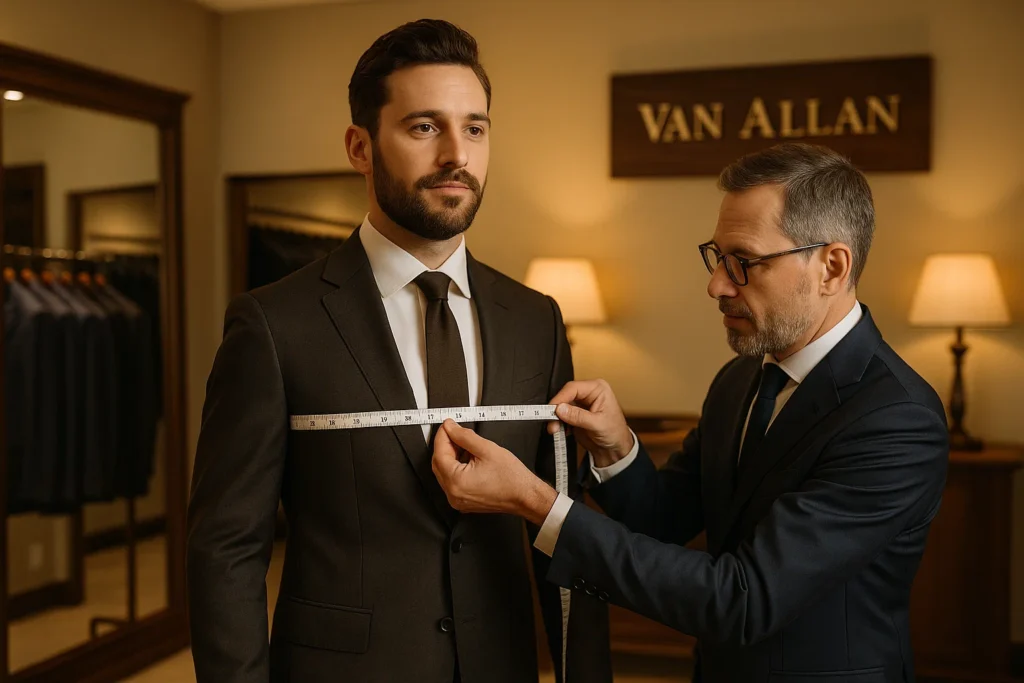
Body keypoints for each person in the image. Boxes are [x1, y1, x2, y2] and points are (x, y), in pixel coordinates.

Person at [186, 19, 610, 683]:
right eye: (423, 127)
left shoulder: (538, 320)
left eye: (475, 127)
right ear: (360, 146)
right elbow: (226, 547)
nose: (457, 155)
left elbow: (560, 530)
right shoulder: (273, 324)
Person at [432, 142, 949, 683]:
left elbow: (741, 599)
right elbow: (665, 519)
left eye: (744, 263)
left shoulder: (897, 420)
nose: (716, 285)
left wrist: (536, 503)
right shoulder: (741, 380)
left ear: (832, 266)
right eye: (717, 257)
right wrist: (617, 448)